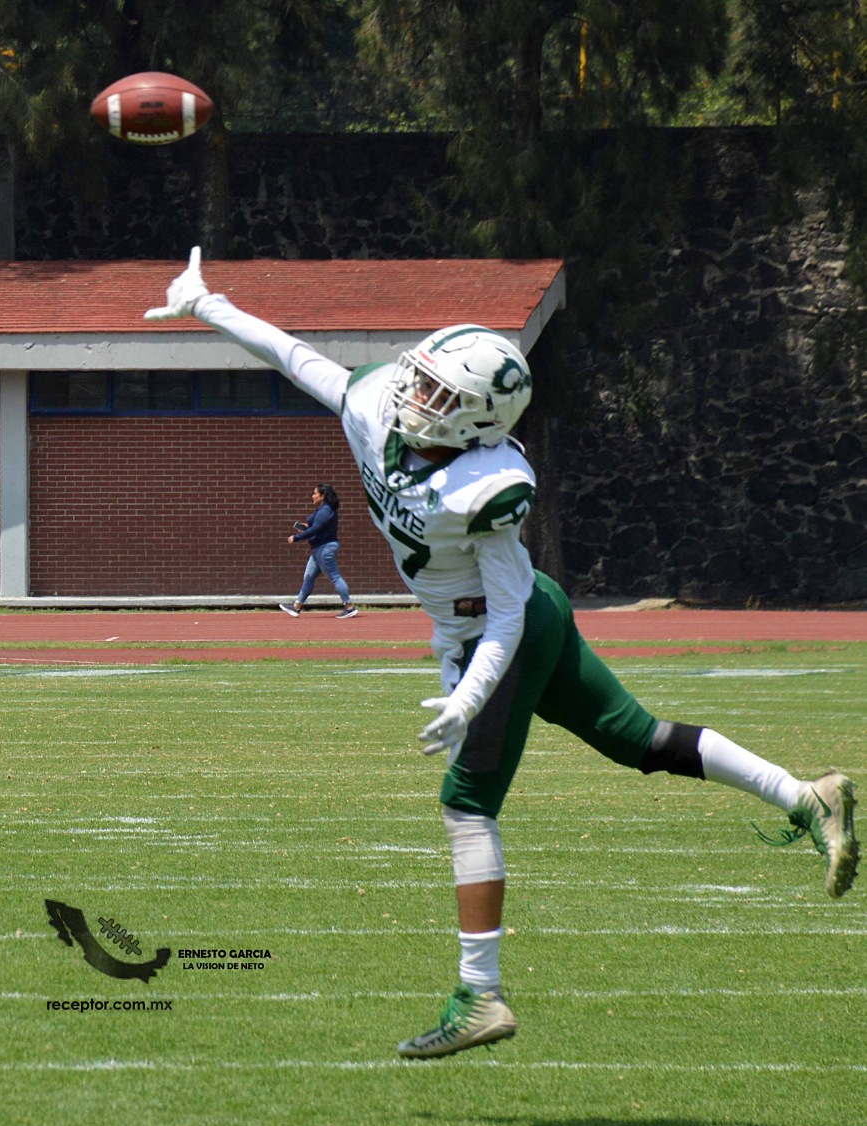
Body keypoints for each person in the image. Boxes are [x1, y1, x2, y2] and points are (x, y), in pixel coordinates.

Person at [147, 248, 858, 1058]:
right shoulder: (377, 405)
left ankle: (479, 994)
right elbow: (292, 355)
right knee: (639, 739)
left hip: (504, 631)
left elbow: (509, 612)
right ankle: (807, 797)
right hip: (506, 622)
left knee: (467, 806)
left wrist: (468, 694)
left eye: (436, 393)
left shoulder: (487, 485)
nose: (413, 394)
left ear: (476, 421)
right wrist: (206, 304)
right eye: (419, 378)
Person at [282, 483, 357, 618]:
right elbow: (311, 523)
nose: (312, 496)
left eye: (315, 493)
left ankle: (349, 607)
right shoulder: (321, 509)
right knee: (309, 577)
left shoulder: (325, 510)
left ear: (322, 496)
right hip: (318, 549)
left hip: (325, 548)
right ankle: (297, 606)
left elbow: (315, 529)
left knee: (335, 577)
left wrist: (296, 537)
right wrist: (305, 526)